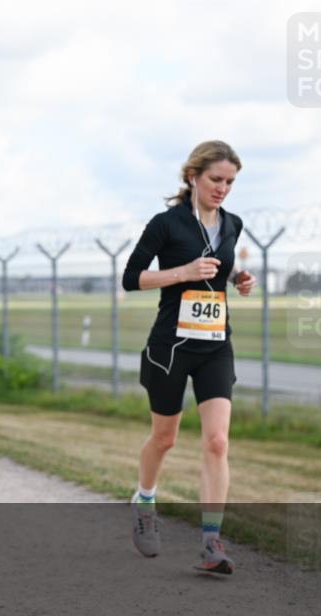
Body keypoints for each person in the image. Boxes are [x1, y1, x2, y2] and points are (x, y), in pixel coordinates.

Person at [122, 140, 257, 575]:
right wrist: (182, 273)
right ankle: (145, 499)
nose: (223, 189)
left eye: (230, 182)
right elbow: (131, 278)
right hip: (171, 346)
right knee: (165, 438)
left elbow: (222, 262)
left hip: (215, 343)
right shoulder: (166, 224)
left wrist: (238, 277)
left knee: (218, 441)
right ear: (192, 177)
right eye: (216, 180)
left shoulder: (233, 224)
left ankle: (211, 543)